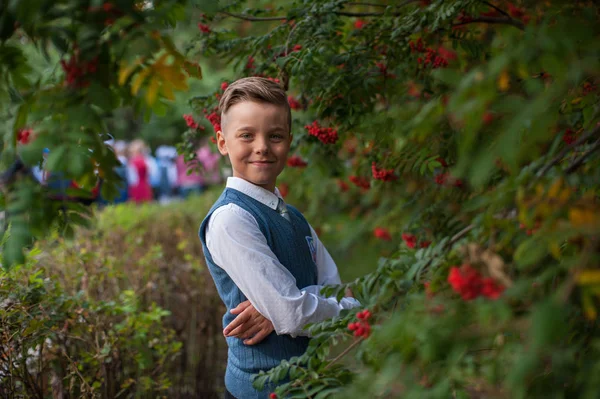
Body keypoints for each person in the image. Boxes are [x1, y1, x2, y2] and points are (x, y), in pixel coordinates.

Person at [198, 77, 359, 399]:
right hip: (260, 389)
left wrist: (279, 307)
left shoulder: (293, 216)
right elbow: (295, 313)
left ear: (288, 141)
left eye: (275, 136)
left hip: (306, 381)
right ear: (222, 142)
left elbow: (335, 289)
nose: (262, 147)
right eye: (247, 135)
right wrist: (285, 308)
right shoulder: (231, 218)